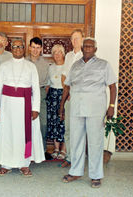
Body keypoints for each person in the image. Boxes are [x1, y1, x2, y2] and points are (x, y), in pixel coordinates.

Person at [59, 37, 117, 188]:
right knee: (76, 140)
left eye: (91, 46)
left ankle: (96, 175)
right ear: (83, 48)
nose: (88, 49)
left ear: (95, 49)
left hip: (95, 109)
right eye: (86, 46)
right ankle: (76, 171)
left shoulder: (104, 65)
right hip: (76, 108)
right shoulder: (75, 66)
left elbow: (112, 86)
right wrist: (61, 107)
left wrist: (111, 106)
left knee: (95, 142)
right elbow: (67, 87)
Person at [0, 38, 45, 177]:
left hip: (25, 106)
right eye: (15, 47)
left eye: (20, 46)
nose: (18, 49)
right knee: (6, 134)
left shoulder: (30, 66)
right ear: (11, 49)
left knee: (23, 134)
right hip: (6, 105)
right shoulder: (4, 66)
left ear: (24, 48)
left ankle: (24, 164)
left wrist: (35, 109)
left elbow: (36, 89)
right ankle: (5, 164)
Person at [60, 29, 84, 168]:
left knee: (79, 130)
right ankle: (69, 157)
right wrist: (67, 92)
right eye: (73, 38)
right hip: (68, 98)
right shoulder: (68, 56)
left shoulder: (86, 56)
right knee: (68, 129)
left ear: (82, 39)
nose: (75, 41)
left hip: (80, 99)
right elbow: (64, 76)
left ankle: (78, 159)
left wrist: (72, 91)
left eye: (77, 38)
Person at [26, 37, 50, 158]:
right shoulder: (24, 62)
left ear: (41, 49)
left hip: (40, 94)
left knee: (42, 123)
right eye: (33, 47)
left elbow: (47, 84)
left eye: (38, 48)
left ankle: (42, 150)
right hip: (25, 94)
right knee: (25, 124)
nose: (35, 50)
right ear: (29, 47)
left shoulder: (45, 64)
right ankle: (27, 150)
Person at [46, 44, 67, 160]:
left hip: (64, 95)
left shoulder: (67, 66)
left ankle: (63, 149)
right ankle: (56, 148)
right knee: (54, 122)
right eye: (55, 52)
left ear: (63, 53)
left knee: (63, 122)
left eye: (59, 52)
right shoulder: (51, 67)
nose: (57, 54)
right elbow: (48, 83)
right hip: (53, 96)